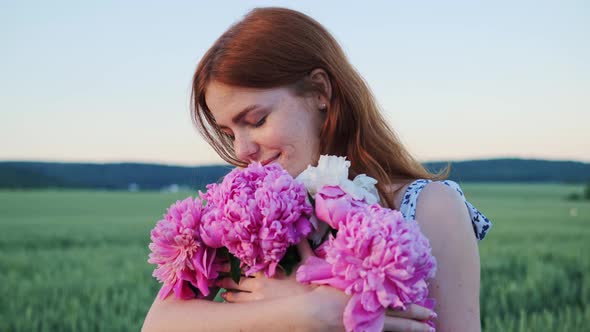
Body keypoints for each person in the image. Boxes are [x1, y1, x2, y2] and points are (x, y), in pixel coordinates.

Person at [142, 7, 491, 332]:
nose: (240, 150)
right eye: (229, 133)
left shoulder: (429, 207)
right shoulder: (244, 217)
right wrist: (312, 312)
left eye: (256, 120)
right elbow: (158, 324)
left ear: (320, 92)